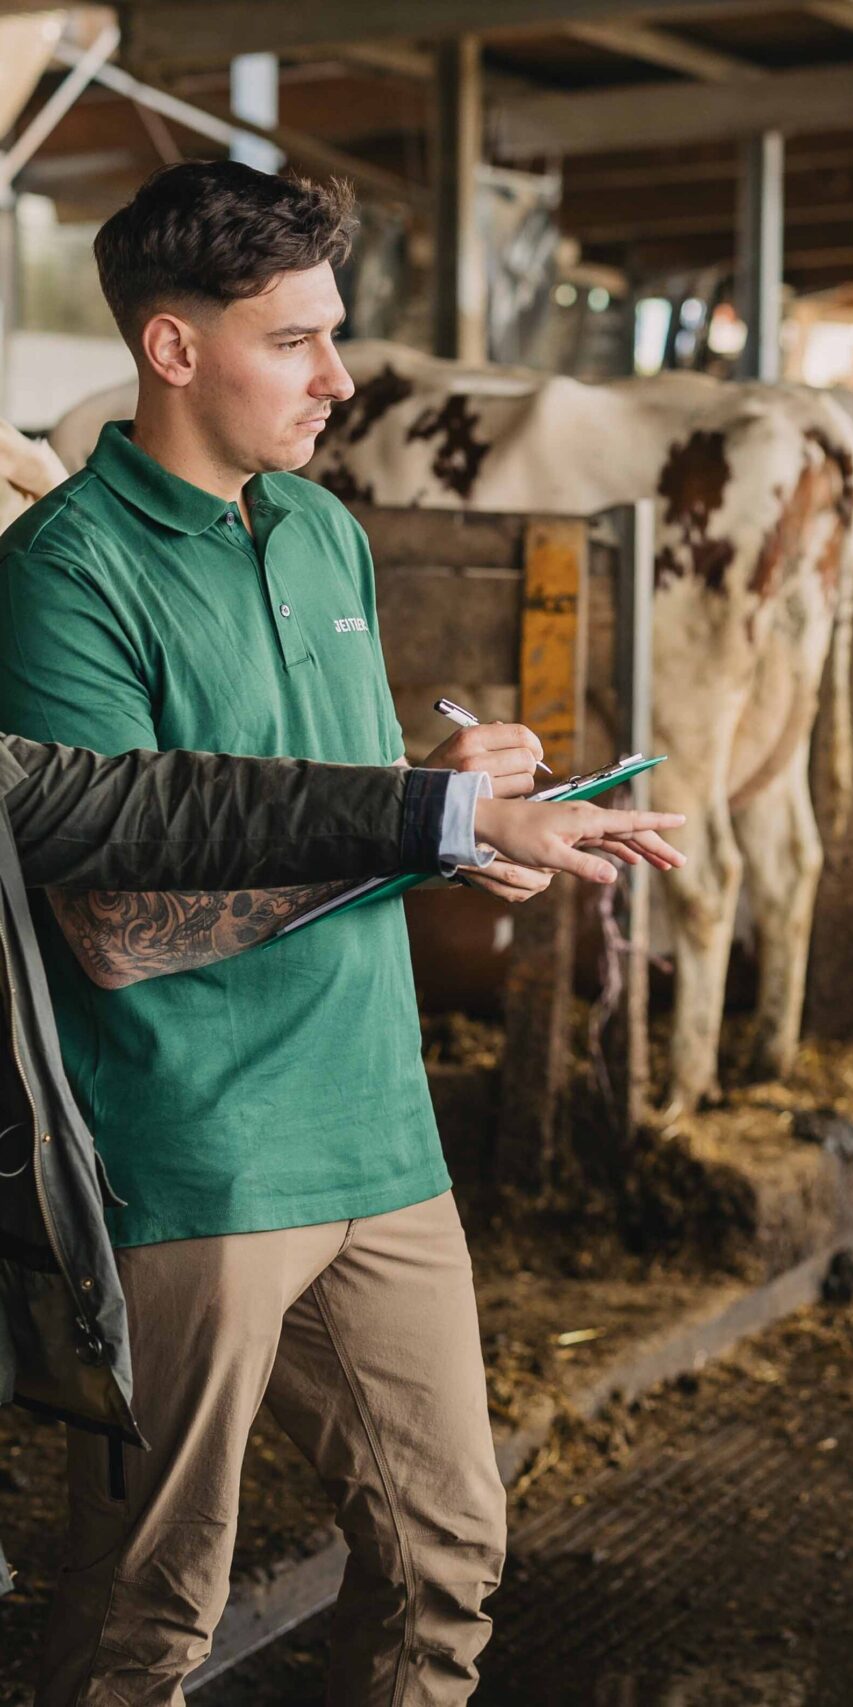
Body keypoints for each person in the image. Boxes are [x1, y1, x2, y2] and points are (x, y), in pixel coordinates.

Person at [0, 160, 646, 1703]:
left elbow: (333, 811)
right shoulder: (62, 575)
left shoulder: (323, 533)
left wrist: (461, 826)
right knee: (146, 1612)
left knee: (448, 1559)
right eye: (293, 340)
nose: (339, 378)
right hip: (193, 1157)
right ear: (172, 348)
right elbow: (118, 891)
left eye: (332, 332)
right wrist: (423, 820)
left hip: (379, 1128)